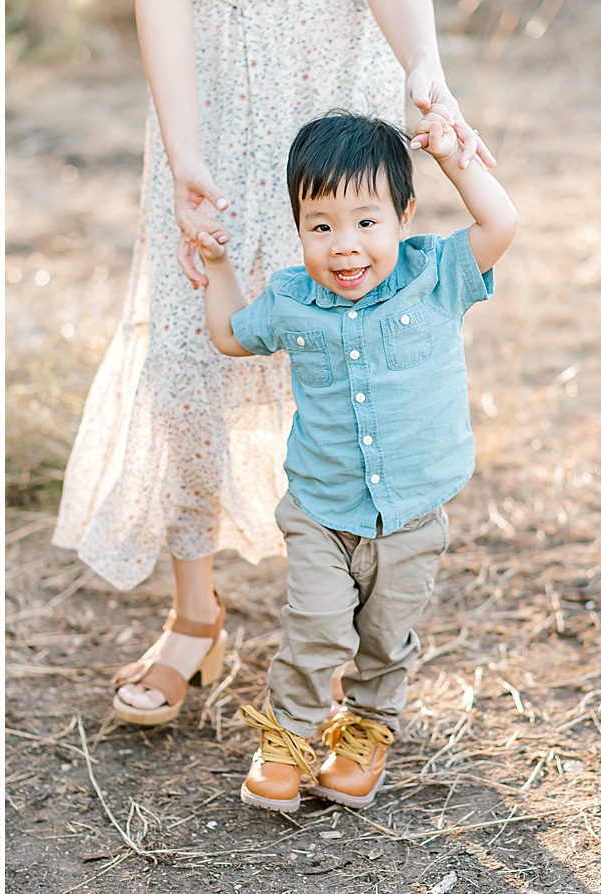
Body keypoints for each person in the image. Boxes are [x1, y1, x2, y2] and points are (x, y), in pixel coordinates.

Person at [53, 0, 496, 726]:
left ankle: (321, 641)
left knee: (333, 352)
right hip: (208, 101)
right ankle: (195, 617)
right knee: (185, 358)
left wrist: (424, 62)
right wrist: (181, 150)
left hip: (328, 93)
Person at [193, 109, 515, 812]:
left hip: (412, 514)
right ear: (299, 229)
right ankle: (286, 738)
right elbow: (227, 334)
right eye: (321, 226)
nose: (345, 247)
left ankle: (367, 728)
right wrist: (216, 264)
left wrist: (453, 155)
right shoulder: (290, 302)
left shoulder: (436, 278)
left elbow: (501, 225)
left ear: (403, 216)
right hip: (320, 509)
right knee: (315, 626)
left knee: (383, 636)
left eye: (367, 222)